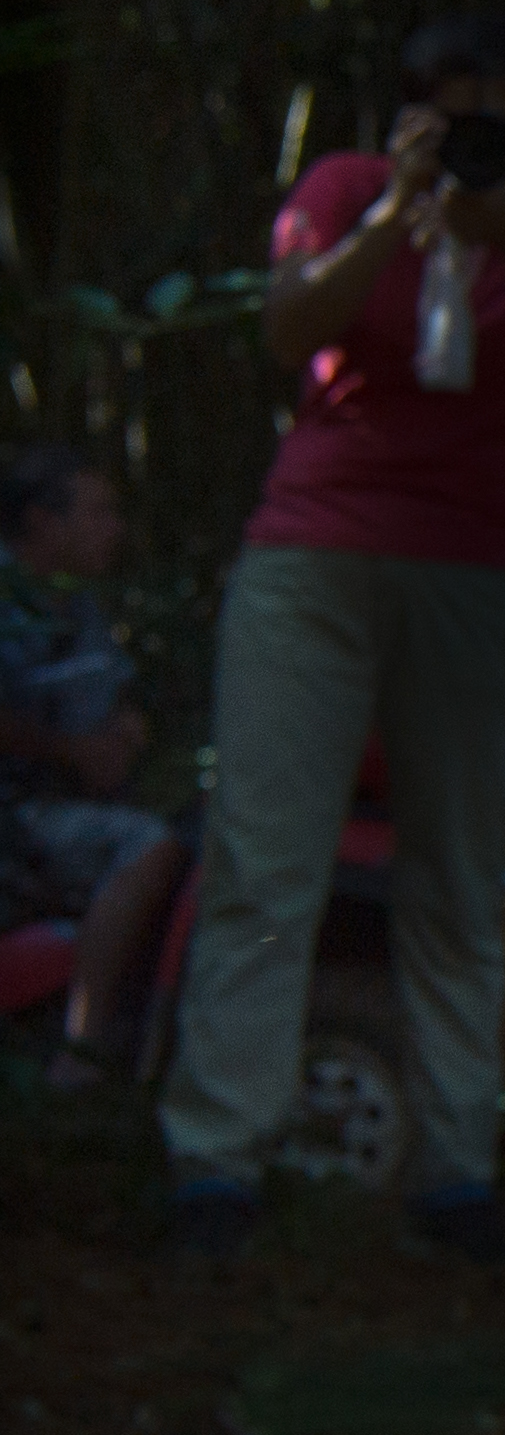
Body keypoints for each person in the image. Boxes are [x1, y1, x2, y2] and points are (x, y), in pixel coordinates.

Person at [160, 9, 505, 1272]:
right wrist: (395, 222)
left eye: (503, 123)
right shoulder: (346, 189)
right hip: (317, 555)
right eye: (454, 119)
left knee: (459, 874)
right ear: (409, 121)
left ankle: (456, 1171)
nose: (480, 141)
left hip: (477, 566)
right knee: (270, 855)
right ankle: (217, 1161)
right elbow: (288, 325)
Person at [0, 446, 191, 1084]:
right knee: (149, 847)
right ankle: (81, 1045)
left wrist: (121, 733)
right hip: (17, 816)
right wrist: (69, 753)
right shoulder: (8, 600)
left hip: (70, 802)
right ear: (43, 523)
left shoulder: (76, 603)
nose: (115, 529)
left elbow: (109, 696)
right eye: (98, 513)